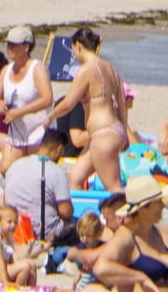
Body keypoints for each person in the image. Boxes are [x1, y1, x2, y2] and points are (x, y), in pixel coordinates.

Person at [47, 27, 130, 191]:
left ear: (78, 46)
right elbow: (121, 103)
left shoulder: (86, 70)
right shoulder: (110, 68)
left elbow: (68, 103)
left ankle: (130, 216)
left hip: (102, 133)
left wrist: (50, 117)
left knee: (113, 188)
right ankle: (80, 216)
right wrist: (124, 133)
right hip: (112, 131)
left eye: (74, 51)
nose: (75, 56)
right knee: (74, 178)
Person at [0, 25, 53, 172]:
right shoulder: (6, 70)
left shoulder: (37, 69)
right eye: (8, 44)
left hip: (38, 130)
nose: (9, 48)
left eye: (13, 45)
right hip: (17, 131)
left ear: (26, 47)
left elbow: (47, 99)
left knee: (35, 172)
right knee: (6, 169)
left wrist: (20, 112)